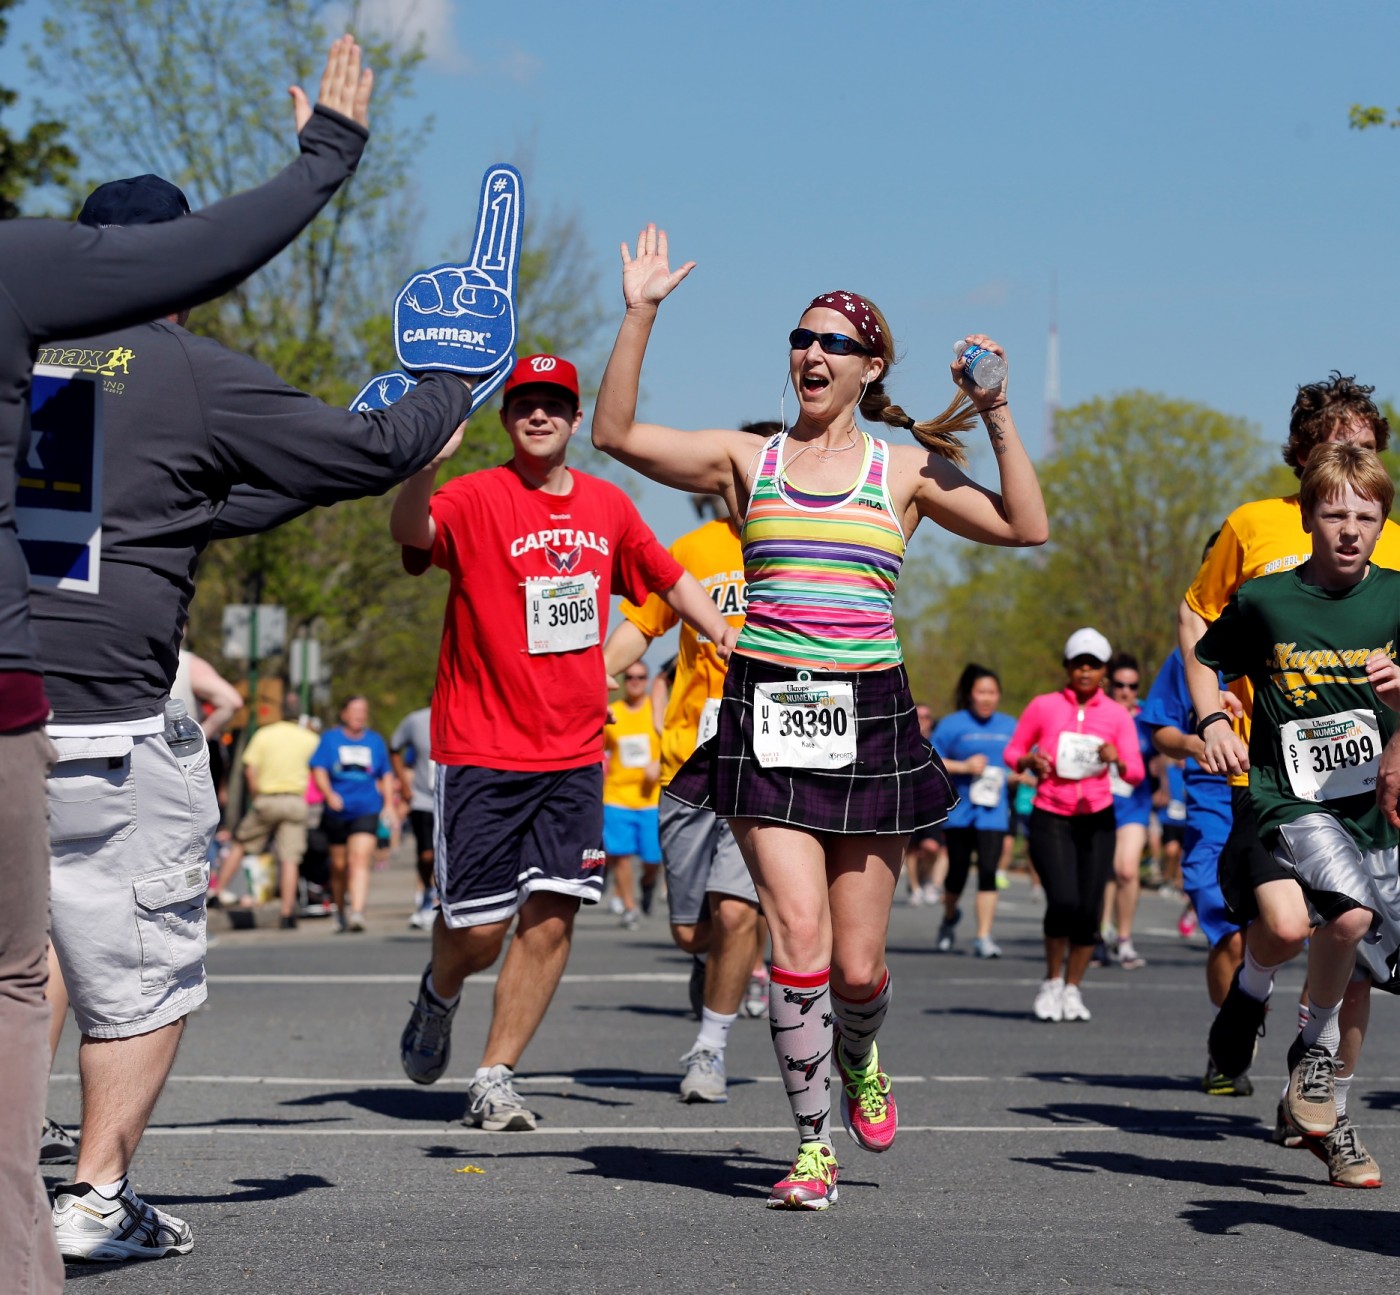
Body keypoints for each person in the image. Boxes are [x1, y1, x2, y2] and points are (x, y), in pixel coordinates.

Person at [5, 38, 376, 1276]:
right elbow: (344, 459)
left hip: (22, 704)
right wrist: (442, 392)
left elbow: (144, 519)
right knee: (143, 961)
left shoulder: (41, 372)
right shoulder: (177, 362)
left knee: (32, 951)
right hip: (115, 726)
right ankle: (96, 1194)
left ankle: (18, 1178)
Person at [590, 226, 1047, 1210]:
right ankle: (809, 1142)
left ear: (867, 366)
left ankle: (863, 1053)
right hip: (765, 708)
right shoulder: (744, 459)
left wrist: (998, 413)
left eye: (832, 343)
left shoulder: (904, 472)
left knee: (855, 963)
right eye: (799, 338)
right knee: (791, 937)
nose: (810, 354)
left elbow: (1025, 525)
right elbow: (614, 435)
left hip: (867, 715)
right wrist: (639, 313)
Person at [391, 352, 735, 1132]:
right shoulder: (475, 496)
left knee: (551, 917)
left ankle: (495, 1074)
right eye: (524, 405)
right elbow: (412, 534)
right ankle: (439, 992)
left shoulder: (609, 506)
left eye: (555, 405)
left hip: (576, 751)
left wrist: (725, 633)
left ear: (577, 420)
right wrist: (421, 467)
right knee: (477, 932)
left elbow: (667, 576)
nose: (539, 415)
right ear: (507, 418)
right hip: (481, 747)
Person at [1179, 374, 1400, 1125]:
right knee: (1284, 923)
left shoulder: (1388, 540)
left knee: (1355, 940)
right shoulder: (1255, 525)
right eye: (1337, 446)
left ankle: (1322, 1105)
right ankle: (1251, 995)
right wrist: (1211, 714)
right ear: (1303, 454)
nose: (1351, 461)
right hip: (1273, 763)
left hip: (1373, 780)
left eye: (1366, 449)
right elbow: (1197, 619)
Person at [603, 478, 762, 1103]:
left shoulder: (806, 550)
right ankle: (712, 962)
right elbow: (640, 627)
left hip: (771, 761)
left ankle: (709, 1048)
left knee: (737, 910)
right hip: (691, 759)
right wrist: (589, 677)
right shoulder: (692, 548)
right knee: (693, 932)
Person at [1003, 628, 1145, 1024]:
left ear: (1104, 671)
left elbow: (1134, 773)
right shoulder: (1043, 706)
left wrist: (1116, 758)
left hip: (1097, 817)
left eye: (1094, 664)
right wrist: (1029, 762)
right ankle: (1051, 980)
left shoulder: (1116, 716)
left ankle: (1073, 988)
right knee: (1063, 900)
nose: (1085, 671)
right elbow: (1012, 751)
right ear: (1067, 667)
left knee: (1088, 910)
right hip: (1050, 812)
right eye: (1078, 663)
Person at [931, 665, 1018, 958]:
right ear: (970, 694)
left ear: (999, 696)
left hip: (993, 813)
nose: (986, 698)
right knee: (956, 873)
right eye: (981, 692)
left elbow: (1019, 762)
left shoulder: (1010, 726)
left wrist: (1019, 775)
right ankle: (949, 916)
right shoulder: (953, 724)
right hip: (959, 811)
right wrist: (965, 767)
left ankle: (983, 936)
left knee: (989, 872)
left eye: (992, 693)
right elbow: (931, 759)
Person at [217, 695, 321, 927]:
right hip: (295, 801)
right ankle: (286, 913)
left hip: (268, 798)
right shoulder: (309, 738)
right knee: (290, 857)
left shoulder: (264, 734)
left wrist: (257, 797)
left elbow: (250, 770)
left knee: (241, 842)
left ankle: (217, 891)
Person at [310, 696, 394, 931]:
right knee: (339, 865)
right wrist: (328, 794)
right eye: (355, 710)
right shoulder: (330, 739)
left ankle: (357, 912)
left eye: (363, 710)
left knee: (359, 860)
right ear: (344, 714)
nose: (360, 715)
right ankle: (340, 910)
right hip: (337, 811)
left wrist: (388, 804)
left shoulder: (375, 741)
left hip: (367, 808)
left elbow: (385, 774)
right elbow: (319, 768)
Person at [1101, 652, 1159, 969]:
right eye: (1120, 685)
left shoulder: (1147, 716)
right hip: (1097, 802)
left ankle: (1124, 940)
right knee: (1103, 872)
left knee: (1126, 869)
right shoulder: (1096, 712)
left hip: (1134, 804)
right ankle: (1099, 935)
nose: (1126, 691)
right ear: (1109, 685)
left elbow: (1165, 744)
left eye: (1133, 686)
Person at [602, 660, 663, 928]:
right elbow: (598, 751)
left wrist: (660, 764)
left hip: (651, 800)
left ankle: (648, 883)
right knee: (621, 856)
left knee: (653, 859)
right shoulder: (613, 713)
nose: (635, 681)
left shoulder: (658, 711)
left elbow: (676, 743)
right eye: (630, 677)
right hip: (616, 797)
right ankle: (630, 907)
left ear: (648, 679)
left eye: (641, 676)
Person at [391, 703, 438, 930]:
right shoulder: (417, 720)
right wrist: (404, 786)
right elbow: (394, 747)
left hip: (455, 800)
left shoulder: (469, 714)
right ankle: (426, 896)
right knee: (427, 855)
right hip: (423, 799)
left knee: (450, 856)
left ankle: (442, 900)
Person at [906, 703, 948, 906]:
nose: (923, 720)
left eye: (927, 716)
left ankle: (928, 879)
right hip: (908, 802)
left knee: (933, 847)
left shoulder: (938, 741)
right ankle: (915, 888)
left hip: (933, 803)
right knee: (912, 848)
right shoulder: (902, 740)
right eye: (919, 715)